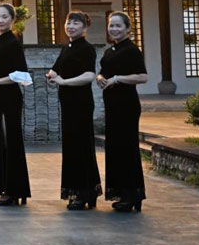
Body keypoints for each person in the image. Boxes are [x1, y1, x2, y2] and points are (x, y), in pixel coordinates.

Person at [46, 11, 102, 210]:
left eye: (76, 23)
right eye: (68, 22)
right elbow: (56, 69)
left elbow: (89, 75)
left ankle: (84, 192)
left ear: (85, 27)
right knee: (71, 147)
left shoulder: (87, 49)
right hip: (67, 103)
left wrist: (64, 82)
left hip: (81, 103)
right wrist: (52, 75)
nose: (70, 26)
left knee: (82, 146)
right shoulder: (66, 47)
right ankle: (78, 191)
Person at [0, 4, 31, 206]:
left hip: (9, 97)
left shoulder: (13, 43)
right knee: (1, 142)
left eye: (4, 17)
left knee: (12, 142)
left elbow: (22, 74)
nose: (0, 20)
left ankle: (13, 191)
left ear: (12, 20)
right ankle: (8, 189)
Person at [98, 11, 148, 213]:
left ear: (128, 29)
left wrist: (118, 79)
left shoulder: (132, 50)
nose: (114, 29)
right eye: (111, 25)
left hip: (127, 105)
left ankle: (133, 195)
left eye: (119, 26)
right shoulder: (110, 51)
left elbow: (143, 77)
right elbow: (104, 71)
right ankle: (121, 193)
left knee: (128, 150)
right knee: (115, 149)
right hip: (111, 105)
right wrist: (100, 77)